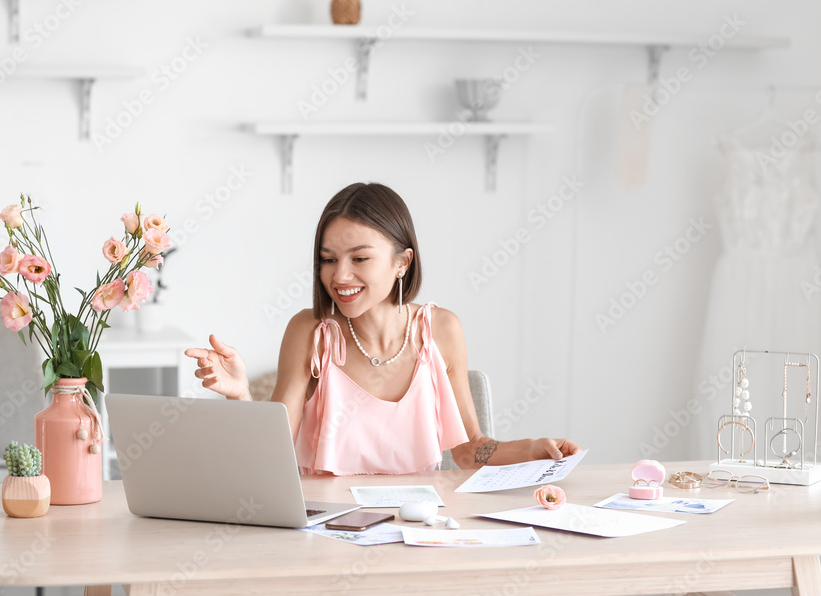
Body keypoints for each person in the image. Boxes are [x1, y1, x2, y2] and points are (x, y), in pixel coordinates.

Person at [185, 182, 580, 475]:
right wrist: (238, 396)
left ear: (402, 263)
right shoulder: (310, 331)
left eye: (359, 258)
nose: (339, 275)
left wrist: (530, 450)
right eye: (328, 259)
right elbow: (271, 457)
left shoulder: (440, 329)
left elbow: (467, 450)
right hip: (325, 529)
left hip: (416, 530)